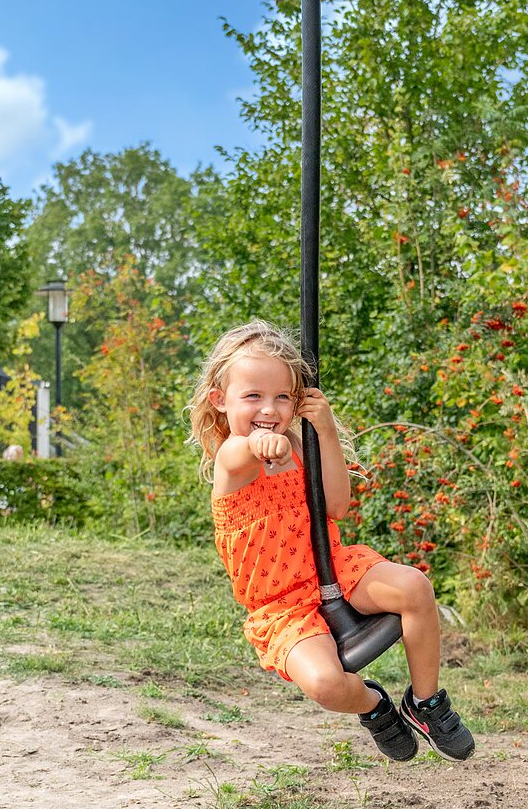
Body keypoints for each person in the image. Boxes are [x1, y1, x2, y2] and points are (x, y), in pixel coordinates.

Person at [187, 320, 474, 762]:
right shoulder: (231, 456)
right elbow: (245, 452)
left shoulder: (300, 446)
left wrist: (325, 433)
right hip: (281, 606)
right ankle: (375, 706)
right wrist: (263, 442)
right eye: (253, 396)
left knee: (414, 586)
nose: (270, 408)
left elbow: (337, 506)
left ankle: (425, 702)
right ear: (219, 402)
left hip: (333, 568)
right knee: (326, 684)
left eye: (283, 396)